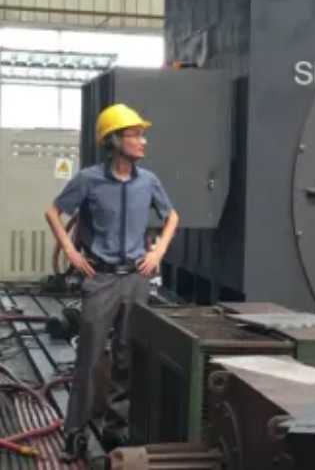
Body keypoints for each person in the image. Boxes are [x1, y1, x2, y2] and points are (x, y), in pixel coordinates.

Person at [44, 103, 180, 462]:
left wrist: (158, 252)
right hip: (100, 279)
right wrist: (71, 252)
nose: (143, 141)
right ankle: (75, 433)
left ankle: (115, 429)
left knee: (126, 357)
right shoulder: (89, 180)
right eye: (135, 135)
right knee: (89, 359)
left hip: (136, 279)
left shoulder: (148, 181)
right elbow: (53, 211)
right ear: (114, 140)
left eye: (141, 134)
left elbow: (172, 216)